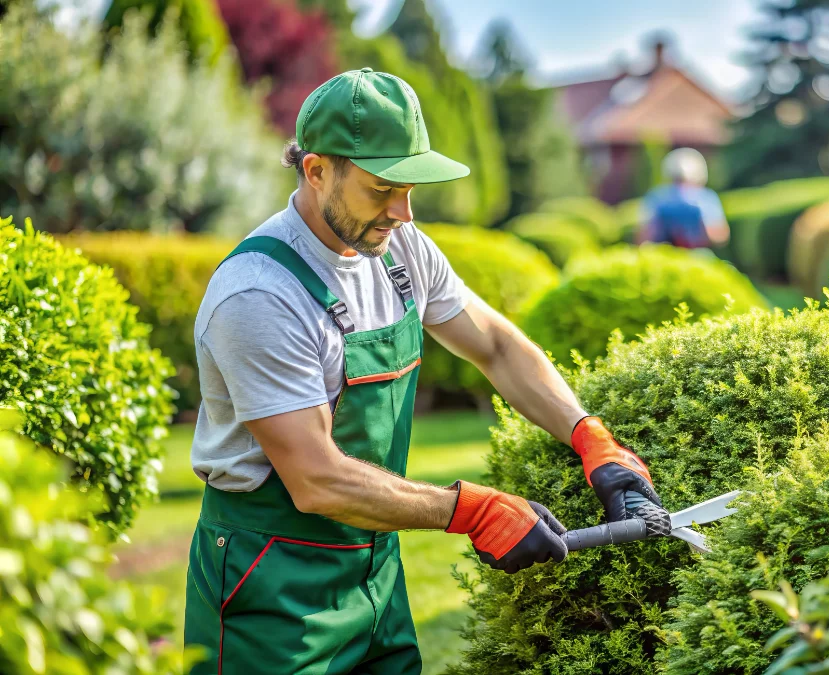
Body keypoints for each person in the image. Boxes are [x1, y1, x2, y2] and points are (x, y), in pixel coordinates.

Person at [182, 68, 663, 674]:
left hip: (374, 562)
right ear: (317, 170)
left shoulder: (401, 251)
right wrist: (472, 510)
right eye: (383, 187)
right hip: (268, 580)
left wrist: (588, 434)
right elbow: (317, 480)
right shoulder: (260, 294)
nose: (402, 212)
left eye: (411, 186)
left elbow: (495, 346)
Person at [636, 147, 730, 250]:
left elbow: (643, 240)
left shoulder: (657, 197)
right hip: (670, 254)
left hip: (690, 253)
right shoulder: (658, 197)